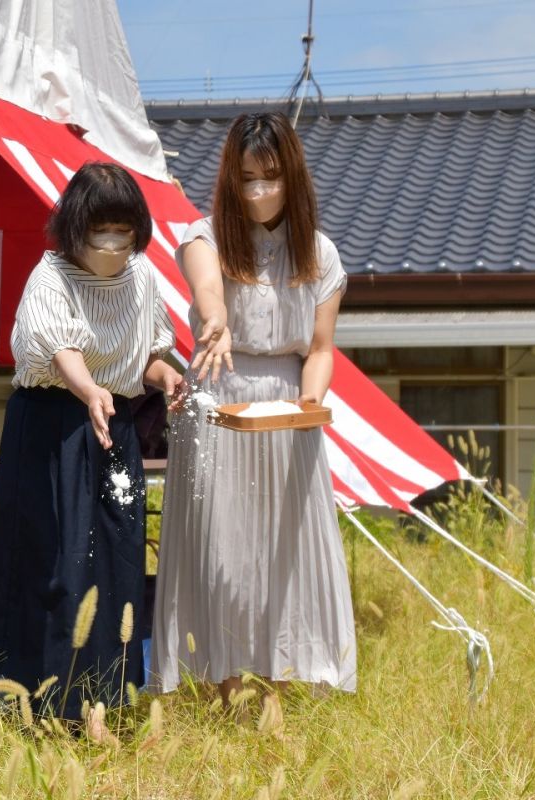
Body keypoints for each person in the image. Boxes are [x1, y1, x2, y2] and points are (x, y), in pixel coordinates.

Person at [151, 113, 357, 704]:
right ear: (229, 179)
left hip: (289, 410)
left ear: (292, 176)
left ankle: (281, 685)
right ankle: (221, 686)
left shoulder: (319, 254)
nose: (259, 191)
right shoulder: (204, 236)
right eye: (247, 179)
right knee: (222, 549)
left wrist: (310, 401)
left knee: (284, 548)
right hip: (218, 398)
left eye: (270, 177)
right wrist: (214, 322)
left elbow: (320, 349)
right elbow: (207, 295)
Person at [0, 162, 184, 716]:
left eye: (124, 232)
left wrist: (168, 380)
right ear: (75, 228)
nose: (114, 244)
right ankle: (35, 700)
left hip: (111, 429)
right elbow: (59, 349)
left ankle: (106, 698)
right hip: (52, 429)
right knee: (56, 564)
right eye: (102, 232)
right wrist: (89, 388)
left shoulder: (141, 279)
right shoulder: (51, 277)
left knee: (115, 561)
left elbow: (147, 358)